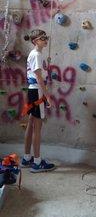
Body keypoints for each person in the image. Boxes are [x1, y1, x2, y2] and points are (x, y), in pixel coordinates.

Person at [21, 29, 56, 172]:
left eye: (46, 37)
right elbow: (39, 78)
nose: (46, 40)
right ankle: (37, 162)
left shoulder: (36, 55)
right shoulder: (36, 55)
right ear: (35, 41)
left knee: (31, 124)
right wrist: (47, 96)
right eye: (43, 38)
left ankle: (27, 158)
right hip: (37, 91)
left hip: (32, 91)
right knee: (37, 127)